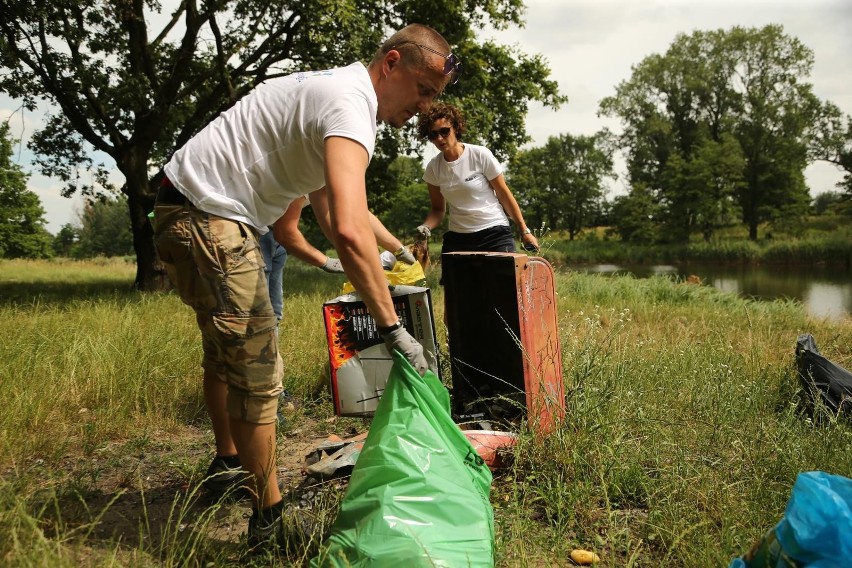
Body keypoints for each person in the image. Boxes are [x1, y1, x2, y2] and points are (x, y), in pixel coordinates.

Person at [152, 23, 459, 547]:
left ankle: (229, 463)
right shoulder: (350, 104)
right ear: (391, 63)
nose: (425, 108)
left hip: (186, 204)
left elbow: (334, 208)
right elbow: (347, 226)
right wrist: (392, 328)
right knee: (257, 370)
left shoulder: (336, 93)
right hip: (211, 215)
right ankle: (268, 526)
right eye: (423, 90)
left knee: (225, 352)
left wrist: (398, 251)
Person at [414, 102, 539, 257]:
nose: (440, 138)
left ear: (456, 128)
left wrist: (524, 230)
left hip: (494, 233)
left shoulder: (480, 155)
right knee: (455, 282)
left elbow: (504, 195)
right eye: (433, 135)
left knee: (504, 281)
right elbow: (438, 210)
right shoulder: (433, 168)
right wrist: (426, 227)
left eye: (444, 131)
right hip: (458, 237)